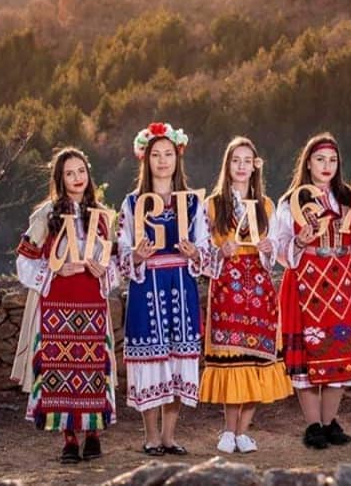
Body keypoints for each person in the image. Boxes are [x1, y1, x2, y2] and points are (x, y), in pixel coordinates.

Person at [13, 147, 117, 463]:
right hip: (57, 303)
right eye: (70, 173)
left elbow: (113, 260)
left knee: (93, 369)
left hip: (91, 302)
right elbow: (24, 259)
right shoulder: (46, 215)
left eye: (81, 171)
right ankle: (69, 438)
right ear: (60, 178)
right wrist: (55, 270)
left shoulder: (101, 217)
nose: (77, 178)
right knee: (60, 370)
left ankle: (94, 434)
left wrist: (103, 270)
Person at [274, 132, 351, 449]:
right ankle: (313, 425)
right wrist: (299, 242)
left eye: (332, 160)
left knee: (340, 353)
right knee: (307, 356)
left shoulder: (350, 200)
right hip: (306, 282)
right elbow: (279, 249)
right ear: (308, 163)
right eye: (320, 159)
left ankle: (330, 421)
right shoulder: (290, 202)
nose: (326, 165)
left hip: (344, 282)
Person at [117, 122, 211, 455]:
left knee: (178, 360)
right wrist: (135, 256)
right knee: (150, 362)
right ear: (145, 159)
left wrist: (196, 253)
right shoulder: (132, 203)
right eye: (156, 154)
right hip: (146, 287)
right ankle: (151, 436)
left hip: (181, 286)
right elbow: (120, 249)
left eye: (168, 154)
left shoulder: (192, 203)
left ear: (177, 157)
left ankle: (170, 436)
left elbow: (206, 246)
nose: (162, 161)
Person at [200, 136, 292, 453]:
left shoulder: (266, 206)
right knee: (232, 360)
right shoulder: (212, 205)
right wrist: (220, 251)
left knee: (257, 360)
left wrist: (268, 248)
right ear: (227, 165)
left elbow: (275, 249)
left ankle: (243, 431)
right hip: (227, 288)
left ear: (255, 167)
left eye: (247, 161)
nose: (241, 166)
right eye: (235, 160)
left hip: (260, 290)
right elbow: (202, 250)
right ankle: (228, 430)